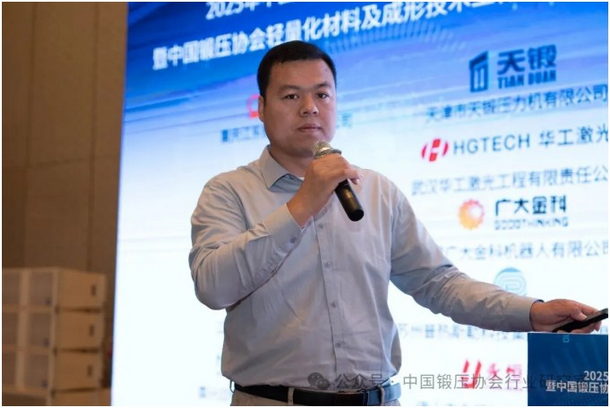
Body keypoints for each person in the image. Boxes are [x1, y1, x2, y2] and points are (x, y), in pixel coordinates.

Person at [189, 41, 602, 406]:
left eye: (322, 94)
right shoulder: (228, 192)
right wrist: (301, 205)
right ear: (261, 108)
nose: (310, 107)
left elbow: (438, 283)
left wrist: (532, 313)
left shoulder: (376, 191)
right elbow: (214, 287)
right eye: (291, 95)